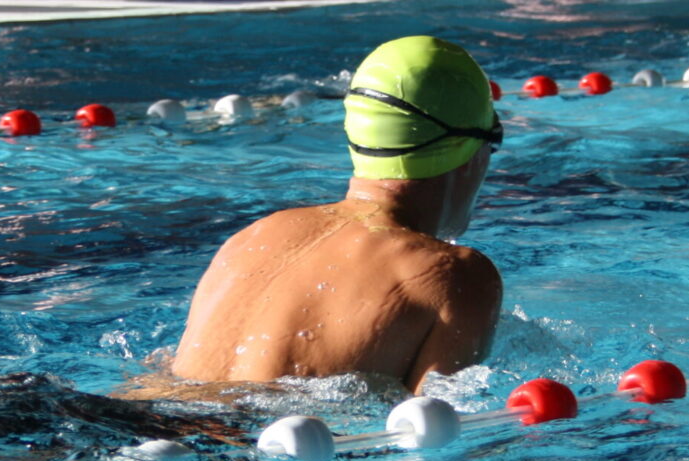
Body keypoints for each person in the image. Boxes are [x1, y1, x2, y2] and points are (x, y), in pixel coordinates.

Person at [167, 36, 504, 394]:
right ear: (472, 153)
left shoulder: (251, 238)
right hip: (255, 444)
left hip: (141, 418)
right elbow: (432, 432)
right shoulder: (456, 278)